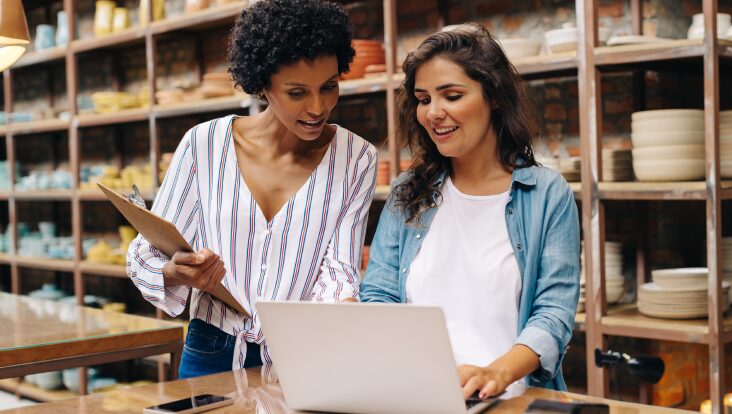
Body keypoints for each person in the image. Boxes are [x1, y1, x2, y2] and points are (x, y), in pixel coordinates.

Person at [127, 0, 377, 379]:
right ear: (262, 84)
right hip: (211, 348)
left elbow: (338, 268)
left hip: (304, 354)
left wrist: (345, 311)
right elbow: (148, 251)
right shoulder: (204, 145)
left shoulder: (357, 158)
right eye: (297, 92)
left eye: (328, 87)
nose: (318, 107)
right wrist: (178, 273)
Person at [360, 23, 579, 398]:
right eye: (424, 99)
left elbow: (553, 313)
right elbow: (378, 295)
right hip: (417, 395)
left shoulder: (545, 194)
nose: (433, 112)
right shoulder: (408, 191)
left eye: (452, 95)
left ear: (492, 96)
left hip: (507, 398)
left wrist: (496, 373)